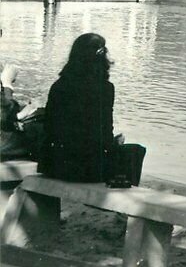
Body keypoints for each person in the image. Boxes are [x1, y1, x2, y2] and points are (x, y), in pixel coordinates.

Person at [38, 33, 144, 184]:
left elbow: (49, 126)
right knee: (134, 151)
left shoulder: (59, 85)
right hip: (87, 169)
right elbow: (104, 132)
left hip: (53, 164)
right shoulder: (105, 88)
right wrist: (114, 143)